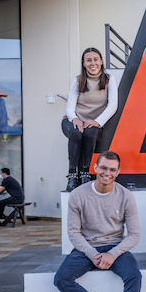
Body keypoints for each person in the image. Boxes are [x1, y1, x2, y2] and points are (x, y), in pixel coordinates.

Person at [54, 151, 141, 292]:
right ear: (95, 168)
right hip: (86, 248)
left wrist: (112, 254)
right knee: (61, 279)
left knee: (134, 276)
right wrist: (93, 254)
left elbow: (134, 234)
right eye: (103, 167)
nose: (107, 173)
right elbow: (73, 232)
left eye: (112, 170)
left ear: (118, 172)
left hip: (115, 246)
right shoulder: (78, 195)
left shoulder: (125, 196)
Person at [62, 47, 118, 191]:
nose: (92, 63)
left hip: (93, 123)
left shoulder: (109, 80)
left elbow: (113, 105)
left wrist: (97, 121)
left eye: (95, 59)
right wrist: (74, 119)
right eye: (88, 60)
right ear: (83, 63)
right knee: (75, 132)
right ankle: (73, 174)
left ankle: (85, 173)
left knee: (90, 132)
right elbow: (69, 107)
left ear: (101, 61)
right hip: (73, 120)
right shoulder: (78, 80)